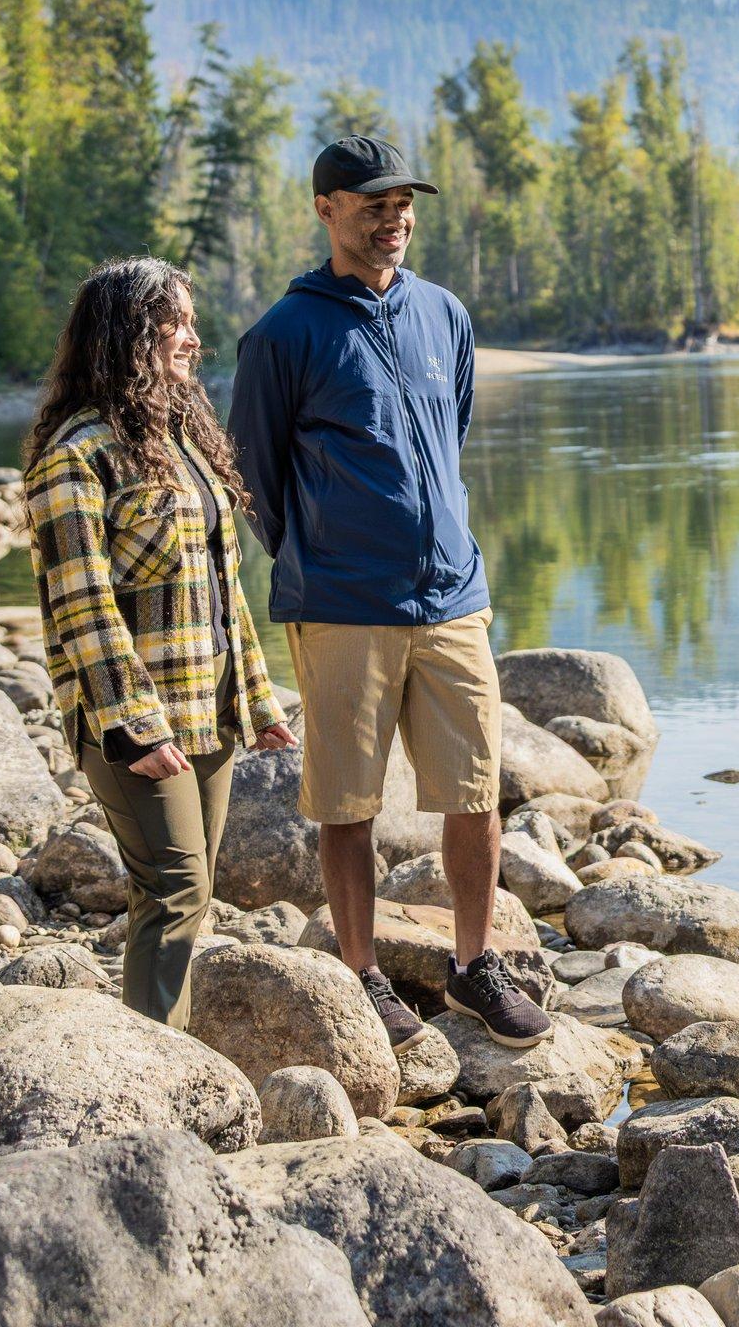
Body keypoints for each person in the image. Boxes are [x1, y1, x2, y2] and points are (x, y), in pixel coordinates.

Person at [229, 134, 550, 1052]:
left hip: (452, 597)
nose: (393, 217)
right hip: (341, 606)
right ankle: (364, 973)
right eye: (372, 203)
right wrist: (321, 559)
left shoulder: (444, 313)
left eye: (403, 202)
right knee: (347, 803)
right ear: (327, 210)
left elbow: (449, 434)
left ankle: (473, 966)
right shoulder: (284, 335)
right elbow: (255, 475)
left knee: (475, 790)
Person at [23, 258, 295, 1029]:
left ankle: (155, 1048)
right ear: (127, 335)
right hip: (134, 722)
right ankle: (155, 1073)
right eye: (173, 321)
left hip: (207, 708)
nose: (192, 336)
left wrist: (257, 699)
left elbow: (220, 586)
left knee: (185, 888)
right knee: (178, 890)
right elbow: (83, 608)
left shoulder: (180, 437)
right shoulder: (75, 457)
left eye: (189, 320)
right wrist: (132, 725)